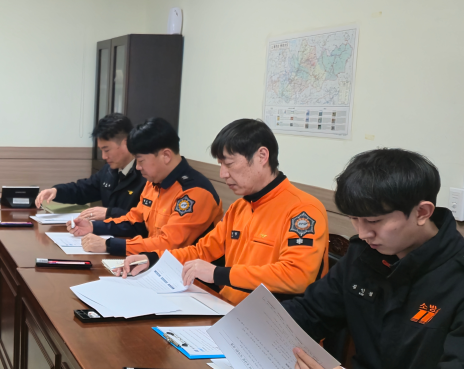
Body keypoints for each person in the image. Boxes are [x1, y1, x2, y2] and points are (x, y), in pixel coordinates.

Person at [282, 149, 464, 369]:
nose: (363, 233)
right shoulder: (363, 255)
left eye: (374, 221)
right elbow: (312, 311)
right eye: (354, 219)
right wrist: (253, 322)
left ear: (422, 212)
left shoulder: (455, 276)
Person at [115, 118, 328, 305]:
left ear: (262, 156)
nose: (223, 173)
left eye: (229, 163)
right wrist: (153, 258)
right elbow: (201, 251)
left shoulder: (303, 209)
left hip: (270, 322)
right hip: (225, 307)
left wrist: (218, 274)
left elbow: (296, 275)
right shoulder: (239, 208)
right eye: (220, 164)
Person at [68, 118, 222, 255]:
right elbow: (135, 221)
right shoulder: (154, 183)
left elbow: (169, 244)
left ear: (166, 156)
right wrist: (94, 227)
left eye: (141, 161)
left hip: (189, 274)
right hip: (152, 263)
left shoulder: (194, 192)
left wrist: (110, 245)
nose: (137, 167)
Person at [34, 113, 146, 222]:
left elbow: (143, 219)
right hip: (108, 232)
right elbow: (82, 190)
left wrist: (109, 213)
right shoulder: (108, 171)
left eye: (107, 150)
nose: (104, 156)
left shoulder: (146, 175)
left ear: (126, 142)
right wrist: (57, 191)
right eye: (101, 150)